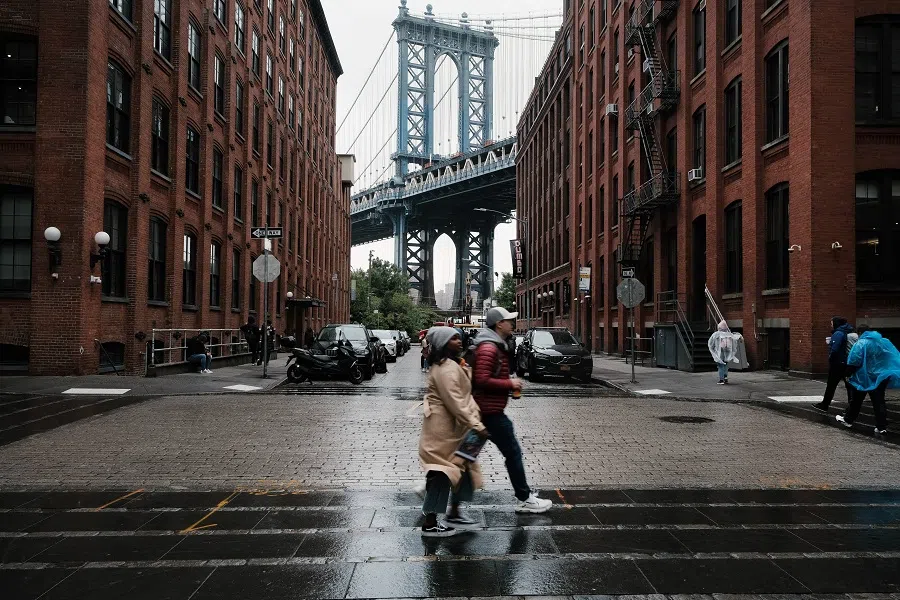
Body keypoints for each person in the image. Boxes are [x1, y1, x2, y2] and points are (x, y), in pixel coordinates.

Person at [472, 307, 552, 513]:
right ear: (499, 324)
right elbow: (481, 380)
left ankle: (430, 486)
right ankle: (525, 498)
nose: (512, 324)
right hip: (489, 413)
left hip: (486, 412)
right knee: (513, 453)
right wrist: (510, 384)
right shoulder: (489, 348)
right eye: (509, 320)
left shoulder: (495, 345)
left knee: (464, 456)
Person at [418, 327, 489, 536]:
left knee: (459, 467)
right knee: (442, 472)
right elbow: (455, 401)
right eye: (454, 338)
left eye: (459, 337)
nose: (460, 341)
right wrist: (477, 425)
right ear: (443, 344)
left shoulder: (450, 365)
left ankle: (453, 513)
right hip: (444, 431)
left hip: (454, 429)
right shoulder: (446, 369)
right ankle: (431, 522)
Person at [836, 327, 900, 435]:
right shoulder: (883, 342)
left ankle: (848, 419)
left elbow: (854, 360)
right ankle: (881, 426)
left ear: (860, 333)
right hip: (880, 376)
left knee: (856, 400)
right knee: (879, 401)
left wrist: (847, 374)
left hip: (863, 378)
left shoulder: (861, 344)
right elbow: (892, 356)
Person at [813, 317, 857, 413]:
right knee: (849, 386)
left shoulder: (838, 333)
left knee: (831, 385)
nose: (831, 325)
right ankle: (851, 407)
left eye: (832, 323)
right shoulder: (848, 331)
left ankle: (825, 404)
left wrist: (830, 357)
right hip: (846, 363)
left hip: (837, 364)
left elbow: (835, 349)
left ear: (836, 324)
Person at [707, 320, 737, 385]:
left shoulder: (716, 334)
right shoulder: (729, 335)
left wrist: (713, 351)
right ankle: (725, 377)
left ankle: (721, 379)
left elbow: (710, 344)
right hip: (727, 352)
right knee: (726, 365)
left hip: (719, 353)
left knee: (720, 366)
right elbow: (734, 344)